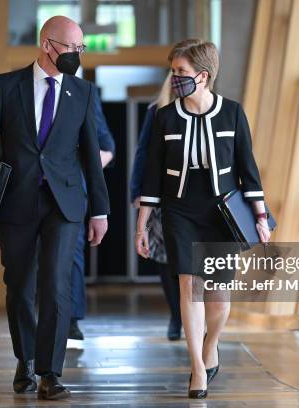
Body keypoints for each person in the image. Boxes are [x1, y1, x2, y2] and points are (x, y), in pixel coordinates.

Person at [0, 16, 110, 400]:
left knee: (57, 285)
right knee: (20, 286)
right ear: (47, 46)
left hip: (65, 203)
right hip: (16, 201)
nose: (77, 55)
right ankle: (25, 361)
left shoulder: (84, 93)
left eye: (81, 49)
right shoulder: (7, 87)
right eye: (72, 48)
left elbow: (92, 157)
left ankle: (50, 373)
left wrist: (100, 211)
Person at [135, 39, 271, 399]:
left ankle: (211, 344)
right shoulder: (164, 117)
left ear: (203, 75)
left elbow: (249, 172)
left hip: (220, 211)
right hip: (180, 209)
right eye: (173, 70)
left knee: (219, 300)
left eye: (180, 72)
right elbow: (151, 178)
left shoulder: (233, 114)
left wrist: (260, 217)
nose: (174, 77)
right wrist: (142, 226)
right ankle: (197, 365)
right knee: (189, 288)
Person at [130, 73, 182, 341]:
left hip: (194, 198)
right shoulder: (157, 111)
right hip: (161, 196)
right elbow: (143, 152)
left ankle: (193, 315)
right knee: (165, 259)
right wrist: (136, 192)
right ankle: (176, 315)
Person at [69, 89, 115, 340]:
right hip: (31, 191)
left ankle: (71, 321)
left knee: (72, 253)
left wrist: (77, 171)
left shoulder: (83, 95)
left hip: (72, 191)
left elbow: (107, 147)